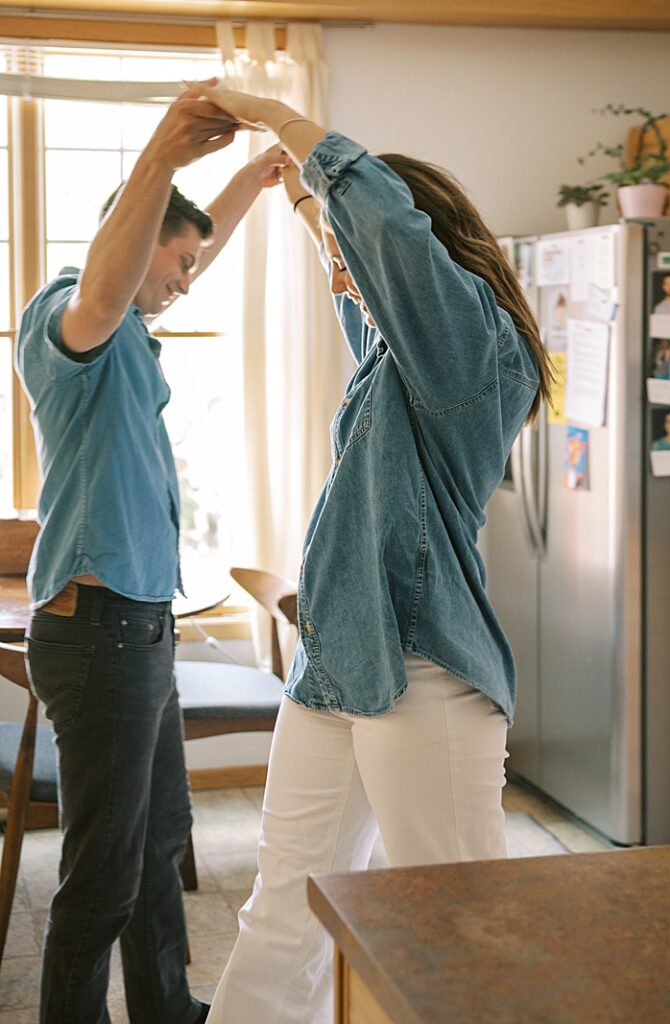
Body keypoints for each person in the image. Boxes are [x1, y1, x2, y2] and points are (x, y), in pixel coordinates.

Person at [186, 84, 552, 1024]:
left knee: (455, 929)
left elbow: (383, 236)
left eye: (355, 258)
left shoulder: (470, 353)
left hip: (425, 670)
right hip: (336, 665)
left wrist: (282, 117)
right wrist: (300, 199)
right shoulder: (396, 351)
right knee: (288, 905)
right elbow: (358, 262)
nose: (342, 276)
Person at [15, 90, 289, 1024]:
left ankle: (166, 1005)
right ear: (130, 247)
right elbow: (110, 280)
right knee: (101, 875)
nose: (184, 278)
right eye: (173, 259)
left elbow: (169, 266)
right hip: (98, 637)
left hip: (137, 629)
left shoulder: (130, 324)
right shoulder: (71, 320)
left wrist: (250, 179)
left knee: (161, 837)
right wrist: (163, 154)